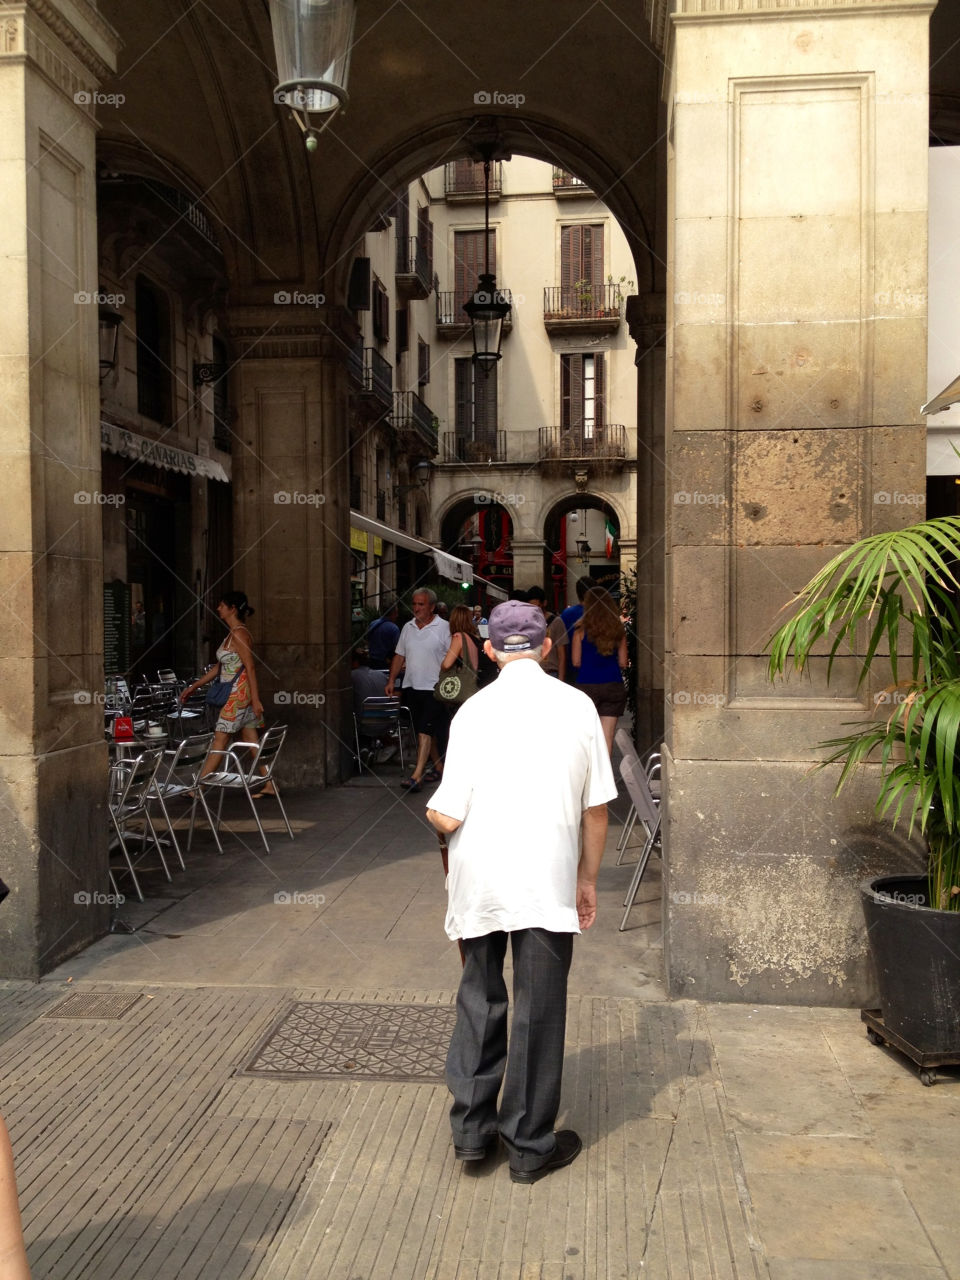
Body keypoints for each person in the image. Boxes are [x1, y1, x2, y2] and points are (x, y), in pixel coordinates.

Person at [426, 601, 616, 1184]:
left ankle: (472, 1137)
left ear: (488, 651)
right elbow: (597, 811)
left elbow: (447, 815)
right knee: (539, 1009)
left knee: (480, 1001)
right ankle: (530, 1147)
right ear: (547, 648)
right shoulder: (579, 706)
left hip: (481, 882)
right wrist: (586, 881)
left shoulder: (472, 712)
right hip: (547, 881)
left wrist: (431, 813)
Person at [180, 591, 274, 794]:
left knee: (220, 738)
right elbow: (219, 667)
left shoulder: (239, 635)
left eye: (222, 605)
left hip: (237, 695)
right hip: (240, 694)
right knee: (251, 738)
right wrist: (195, 686)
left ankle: (200, 786)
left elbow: (250, 667)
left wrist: (256, 699)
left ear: (232, 609)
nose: (218, 609)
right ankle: (270, 783)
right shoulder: (233, 633)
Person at [385, 588, 450, 793]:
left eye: (421, 604)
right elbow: (399, 656)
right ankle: (439, 767)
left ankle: (417, 775)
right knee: (422, 730)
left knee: (424, 730)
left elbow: (452, 655)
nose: (416, 608)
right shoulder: (408, 627)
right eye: (414, 604)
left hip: (434, 688)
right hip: (412, 686)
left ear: (432, 607)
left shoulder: (444, 627)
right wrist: (392, 680)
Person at [571, 587, 628, 756]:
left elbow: (576, 661)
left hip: (587, 686)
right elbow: (624, 662)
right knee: (607, 736)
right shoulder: (618, 630)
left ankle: (587, 775)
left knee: (585, 735)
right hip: (612, 684)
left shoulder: (580, 631)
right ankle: (605, 778)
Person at [440, 605, 498, 694]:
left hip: (467, 686)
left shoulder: (458, 637)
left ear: (453, 620)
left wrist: (441, 666)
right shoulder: (477, 638)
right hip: (482, 682)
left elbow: (447, 664)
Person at [525, 586, 566, 679]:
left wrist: (561, 680)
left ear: (544, 603)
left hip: (551, 673)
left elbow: (561, 655)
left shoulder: (557, 622)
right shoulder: (527, 623)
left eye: (537, 606)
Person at [559, 575, 594, 683]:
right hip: (595, 667)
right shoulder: (600, 614)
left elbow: (562, 644)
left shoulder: (566, 614)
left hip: (572, 668)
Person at [366, 601, 400, 671]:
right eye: (396, 613)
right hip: (385, 664)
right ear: (393, 613)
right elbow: (398, 650)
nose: (397, 616)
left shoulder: (373, 624)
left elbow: (367, 640)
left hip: (371, 662)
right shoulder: (394, 628)